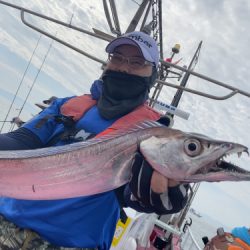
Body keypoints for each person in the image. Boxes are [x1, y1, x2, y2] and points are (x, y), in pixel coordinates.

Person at [0, 31, 189, 250]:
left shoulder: (153, 134)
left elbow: (130, 195)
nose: (124, 68)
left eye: (137, 62)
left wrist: (152, 196)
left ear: (152, 75)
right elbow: (21, 140)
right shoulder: (66, 106)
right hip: (6, 225)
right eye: (117, 58)